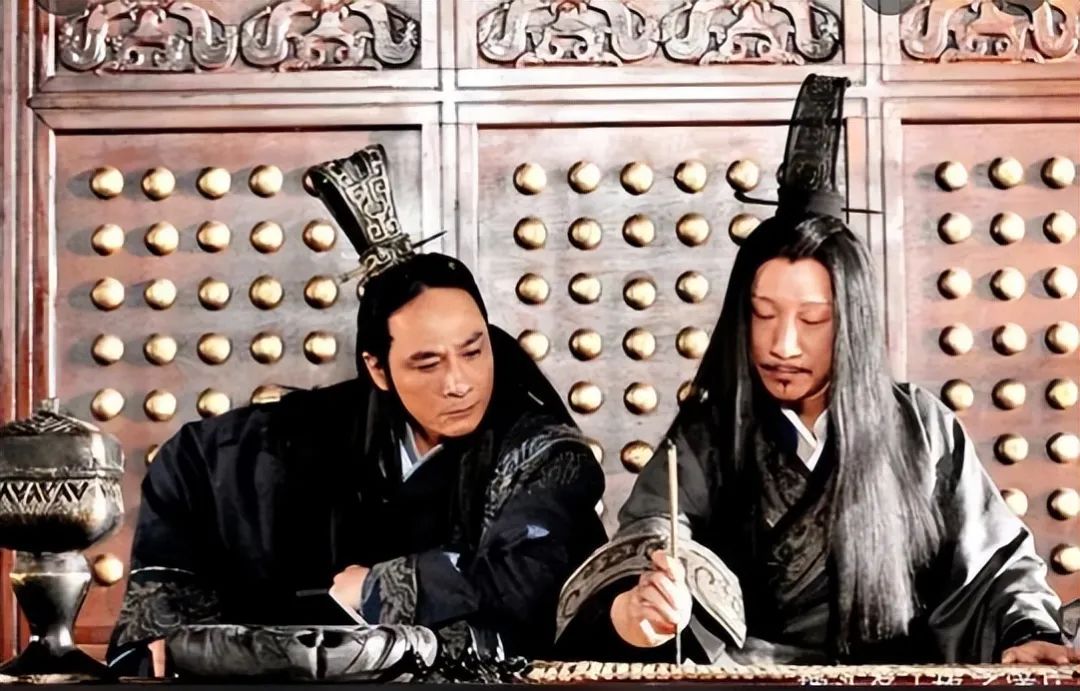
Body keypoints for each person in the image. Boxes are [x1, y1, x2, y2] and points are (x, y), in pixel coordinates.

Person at [554, 75, 1076, 666]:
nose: (784, 344)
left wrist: (1023, 630)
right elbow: (653, 535)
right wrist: (639, 611)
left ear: (851, 322)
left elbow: (992, 567)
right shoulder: (709, 435)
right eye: (763, 314)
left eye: (813, 320)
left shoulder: (920, 428)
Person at [107, 145, 607, 676]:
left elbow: (537, 579)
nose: (459, 383)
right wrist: (173, 637)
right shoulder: (268, 445)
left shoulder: (542, 454)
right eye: (427, 363)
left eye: (473, 351)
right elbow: (193, 471)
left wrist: (377, 588)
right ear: (378, 368)